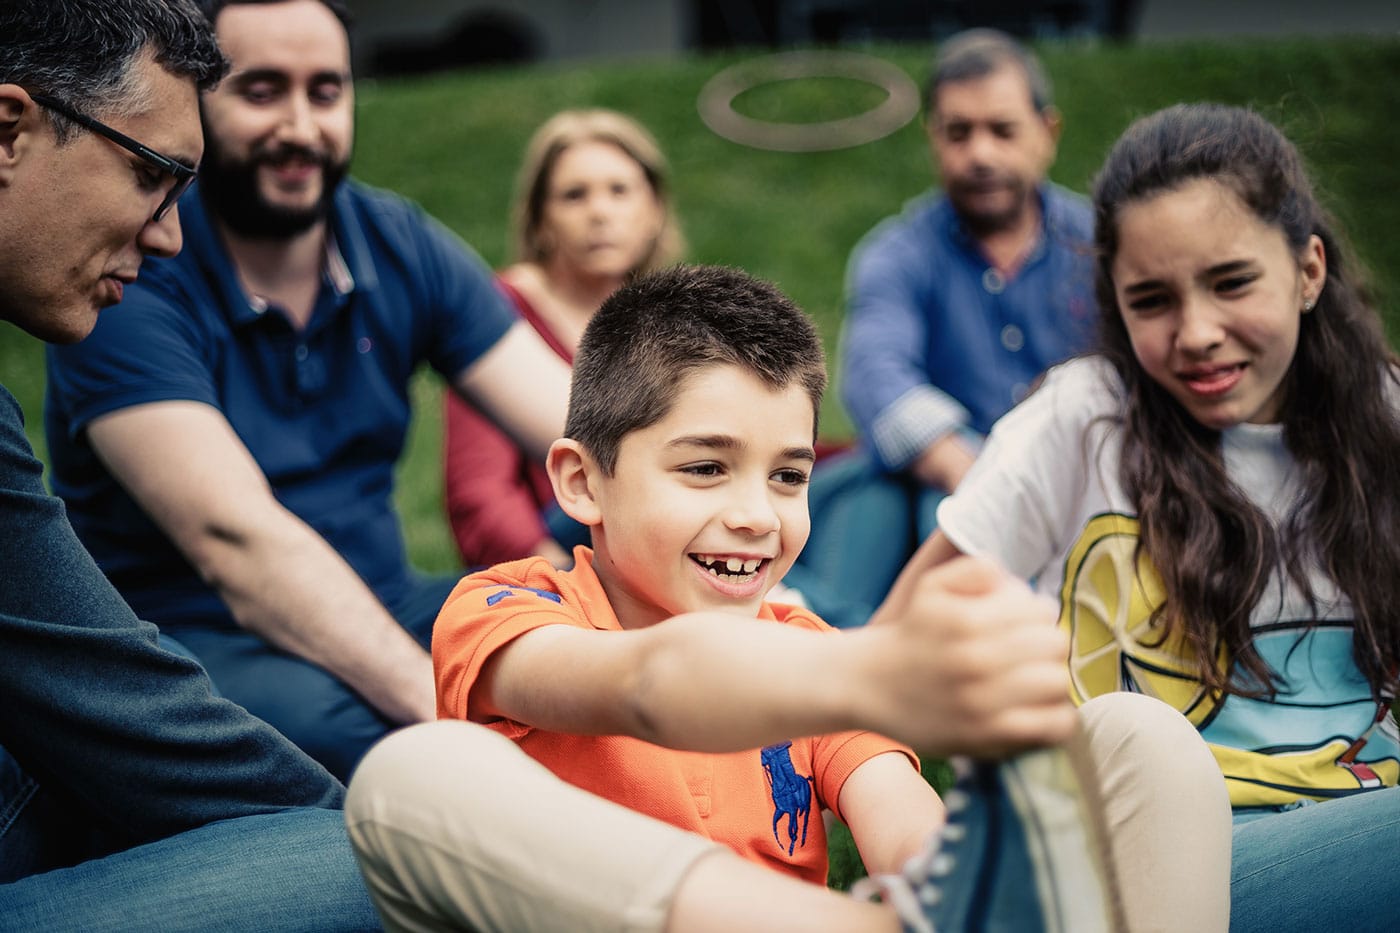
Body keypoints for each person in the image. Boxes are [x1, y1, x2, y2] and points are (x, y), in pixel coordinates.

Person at [346, 265, 1234, 933]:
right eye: (704, 468)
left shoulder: (809, 646)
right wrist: (880, 670)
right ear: (583, 482)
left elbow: (901, 817)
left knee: (1140, 735)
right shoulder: (507, 609)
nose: (755, 516)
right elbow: (644, 683)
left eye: (788, 476)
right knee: (404, 780)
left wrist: (945, 870)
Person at [44, 0, 571, 781]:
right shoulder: (133, 272)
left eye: (325, 92)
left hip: (385, 600)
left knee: (568, 639)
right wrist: (439, 706)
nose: (300, 127)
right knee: (381, 749)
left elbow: (586, 427)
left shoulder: (395, 242)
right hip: (198, 643)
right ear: (196, 101)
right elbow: (239, 544)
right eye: (261, 91)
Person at [904, 103, 1400, 932]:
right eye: (1152, 300)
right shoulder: (1083, 418)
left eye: (1232, 281)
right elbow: (907, 635)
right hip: (1157, 859)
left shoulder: (1384, 416)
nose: (1197, 332)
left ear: (1309, 269)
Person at [0, 0, 377, 928]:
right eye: (152, 175)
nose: (168, 233)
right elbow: (127, 704)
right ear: (8, 130)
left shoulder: (389, 238)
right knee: (386, 864)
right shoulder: (137, 319)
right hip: (214, 649)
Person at [789, 29, 1094, 625]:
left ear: (1047, 133)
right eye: (958, 132)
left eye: (1002, 130)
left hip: (1082, 477)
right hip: (949, 478)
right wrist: (977, 477)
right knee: (910, 508)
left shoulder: (1102, 246)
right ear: (933, 137)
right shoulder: (896, 254)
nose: (980, 154)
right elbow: (878, 377)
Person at [443, 107, 683, 570]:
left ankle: (835, 626)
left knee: (850, 479)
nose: (600, 212)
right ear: (540, 220)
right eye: (574, 196)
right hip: (561, 539)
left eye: (620, 191)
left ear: (654, 210)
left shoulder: (666, 315)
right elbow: (478, 491)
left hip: (657, 532)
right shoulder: (500, 310)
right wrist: (554, 574)